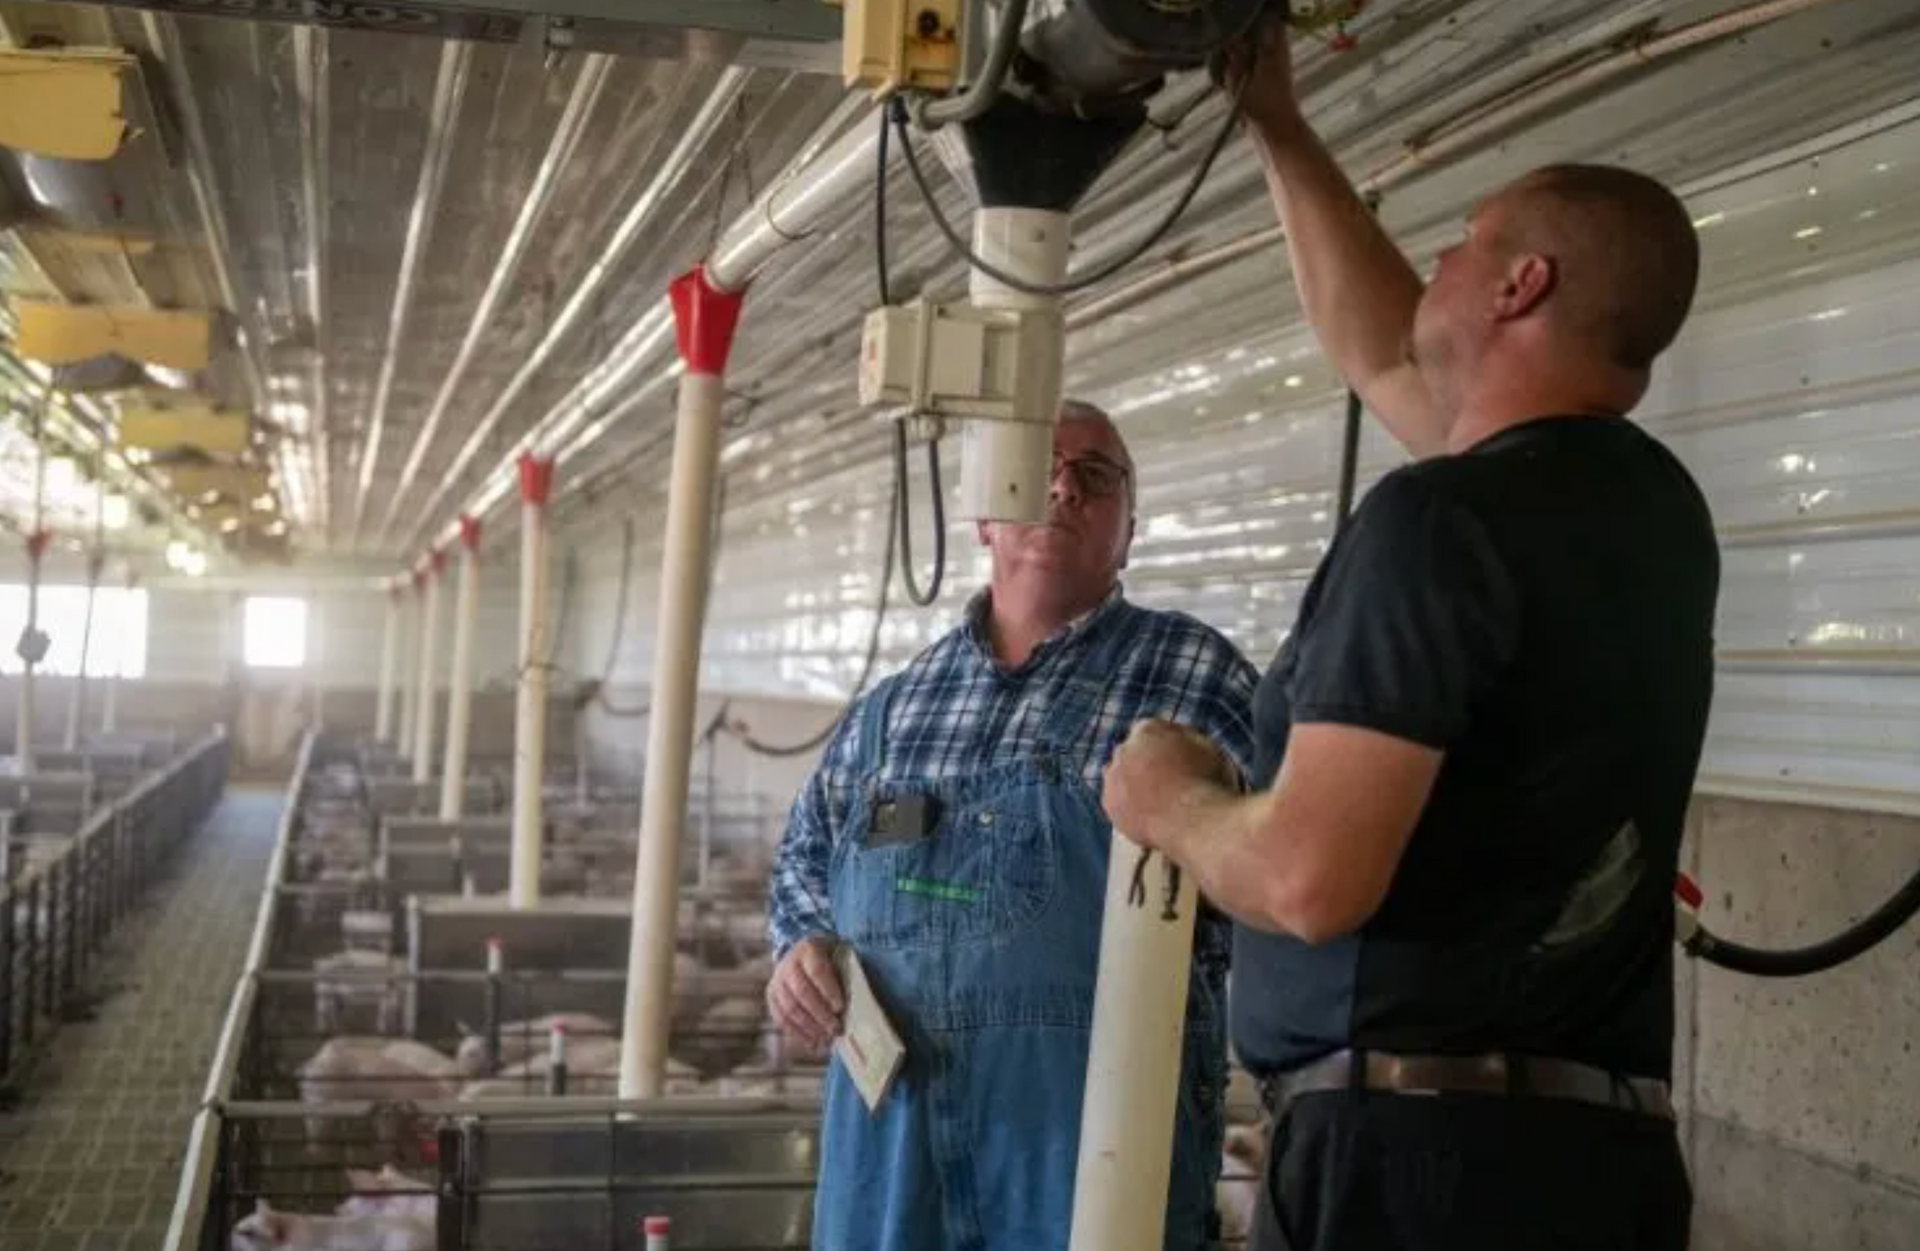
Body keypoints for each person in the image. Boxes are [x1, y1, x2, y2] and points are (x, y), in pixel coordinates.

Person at [1102, 18, 1719, 1251]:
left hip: (1415, 1174)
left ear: (1520, 285)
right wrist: (1276, 123)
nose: (1433, 257)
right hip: (1598, 1165)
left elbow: (1308, 879)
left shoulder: (1438, 522)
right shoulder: (1646, 510)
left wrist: (1167, 801)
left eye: (1464, 241)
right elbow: (1383, 347)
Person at [766, 400, 1259, 1251]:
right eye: (1039, 469)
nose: (1065, 488)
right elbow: (803, 868)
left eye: (1096, 477)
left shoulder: (1197, 676)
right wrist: (797, 951)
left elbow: (1280, 876)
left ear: (1129, 527)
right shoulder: (891, 709)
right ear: (986, 515)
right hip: (891, 1165)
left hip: (1090, 1161)